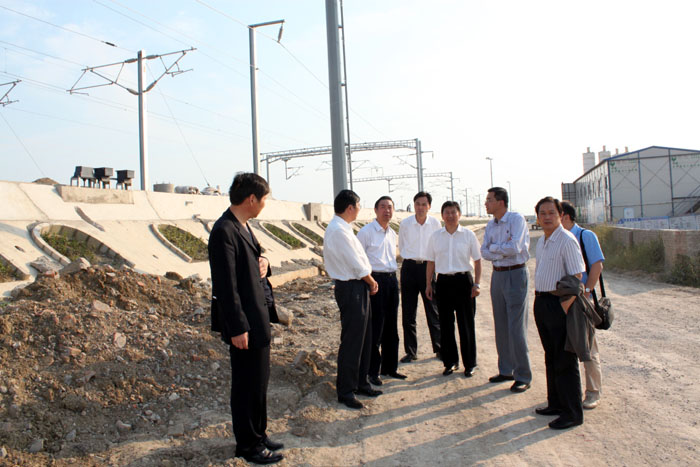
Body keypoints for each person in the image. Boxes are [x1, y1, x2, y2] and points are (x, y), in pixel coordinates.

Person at [208, 173, 284, 464]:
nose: (264, 204)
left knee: (259, 382)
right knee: (245, 385)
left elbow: (253, 262)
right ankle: (248, 445)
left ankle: (259, 434)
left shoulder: (244, 227)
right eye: (264, 199)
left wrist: (264, 262)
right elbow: (225, 286)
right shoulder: (224, 231)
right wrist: (238, 327)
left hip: (258, 318)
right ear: (252, 199)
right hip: (244, 325)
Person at [323, 189, 382, 409]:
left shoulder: (344, 228)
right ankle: (346, 391)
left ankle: (361, 382)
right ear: (350, 207)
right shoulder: (338, 230)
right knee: (352, 341)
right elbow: (355, 263)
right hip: (350, 287)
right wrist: (371, 280)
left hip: (357, 286)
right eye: (358, 205)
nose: (359, 209)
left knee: (364, 338)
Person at [532, 196, 586, 430]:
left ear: (561, 215)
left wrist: (564, 307)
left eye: (551, 213)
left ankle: (572, 412)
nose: (547, 217)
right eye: (542, 213)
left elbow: (576, 277)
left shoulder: (566, 240)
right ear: (537, 217)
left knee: (565, 359)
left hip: (560, 303)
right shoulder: (543, 241)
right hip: (542, 301)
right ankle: (555, 403)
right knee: (551, 356)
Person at [480, 187, 532, 393]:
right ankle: (506, 369)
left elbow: (515, 248)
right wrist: (500, 249)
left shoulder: (516, 220)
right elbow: (484, 252)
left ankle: (523, 375)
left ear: (500, 202)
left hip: (515, 273)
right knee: (500, 324)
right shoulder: (490, 225)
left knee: (516, 327)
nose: (486, 204)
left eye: (489, 200)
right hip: (498, 275)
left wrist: (495, 249)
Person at [425, 201, 482, 377]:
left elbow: (478, 260)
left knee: (466, 324)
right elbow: (431, 262)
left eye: (453, 212)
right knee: (445, 325)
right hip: (443, 283)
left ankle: (470, 364)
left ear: (459, 214)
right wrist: (428, 284)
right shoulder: (436, 236)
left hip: (463, 282)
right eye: (447, 212)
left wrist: (477, 284)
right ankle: (450, 362)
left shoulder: (468, 235)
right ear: (442, 216)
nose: (450, 216)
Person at [357, 196, 405, 386]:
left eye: (390, 207)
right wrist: (368, 282)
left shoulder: (392, 233)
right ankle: (372, 371)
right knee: (376, 327)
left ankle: (390, 368)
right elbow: (358, 259)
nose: (387, 210)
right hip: (375, 281)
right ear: (375, 210)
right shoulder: (366, 232)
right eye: (383, 207)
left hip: (391, 280)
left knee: (391, 327)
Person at [561, 201, 605, 410]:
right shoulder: (558, 238)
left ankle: (593, 392)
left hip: (581, 299)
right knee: (566, 346)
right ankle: (571, 391)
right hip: (564, 298)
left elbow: (597, 265)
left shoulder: (585, 236)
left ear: (565, 216)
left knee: (588, 347)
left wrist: (587, 291)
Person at [398, 191, 442, 363]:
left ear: (429, 206)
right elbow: (402, 245)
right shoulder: (406, 224)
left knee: (433, 310)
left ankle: (439, 348)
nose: (421, 207)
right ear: (414, 205)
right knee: (408, 312)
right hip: (409, 268)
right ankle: (411, 351)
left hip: (427, 268)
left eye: (424, 204)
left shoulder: (435, 223)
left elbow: (438, 246)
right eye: (418, 204)